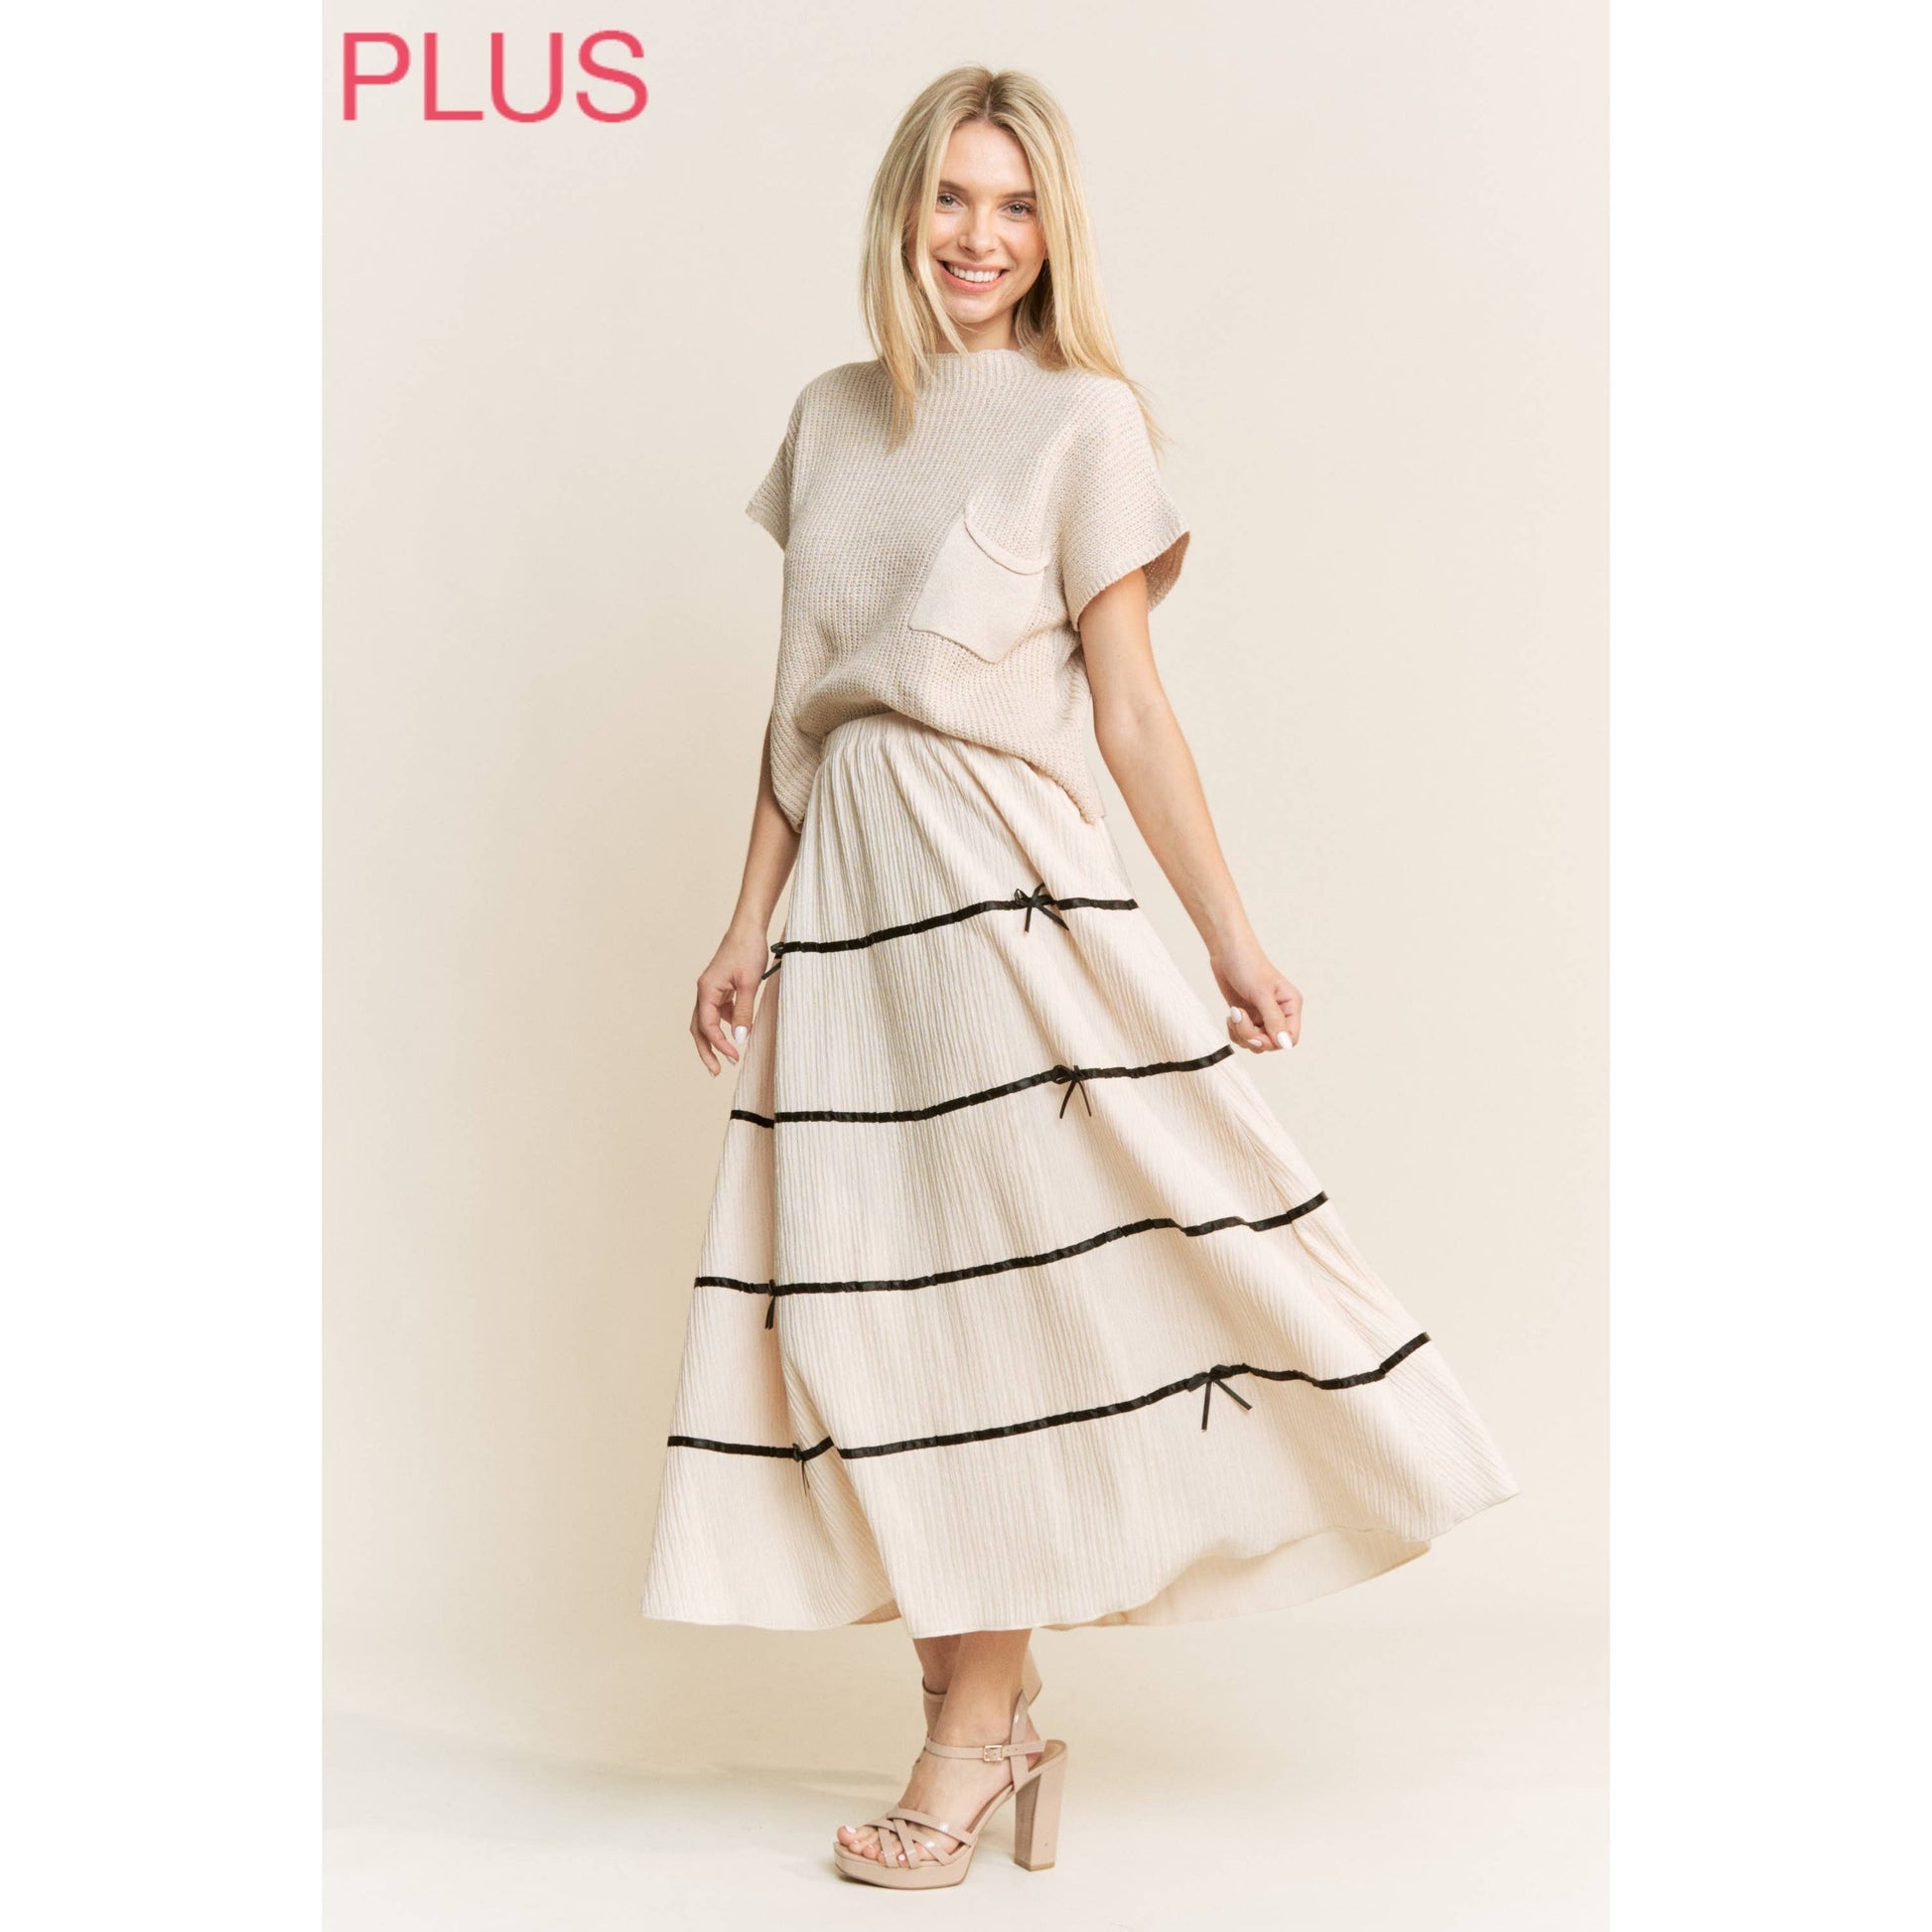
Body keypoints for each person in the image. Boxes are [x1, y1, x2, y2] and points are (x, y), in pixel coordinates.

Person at [640, 65, 1518, 1890]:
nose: (980, 237)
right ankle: (989, 1713)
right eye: (953, 198)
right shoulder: (828, 418)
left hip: (1002, 905)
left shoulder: (1082, 419)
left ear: (1054, 233)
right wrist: (743, 922)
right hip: (853, 911)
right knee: (873, 1315)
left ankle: (969, 1736)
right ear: (903, 208)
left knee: (1003, 1311)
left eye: (1016, 205)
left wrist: (1225, 931)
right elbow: (799, 701)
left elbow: (1127, 708)